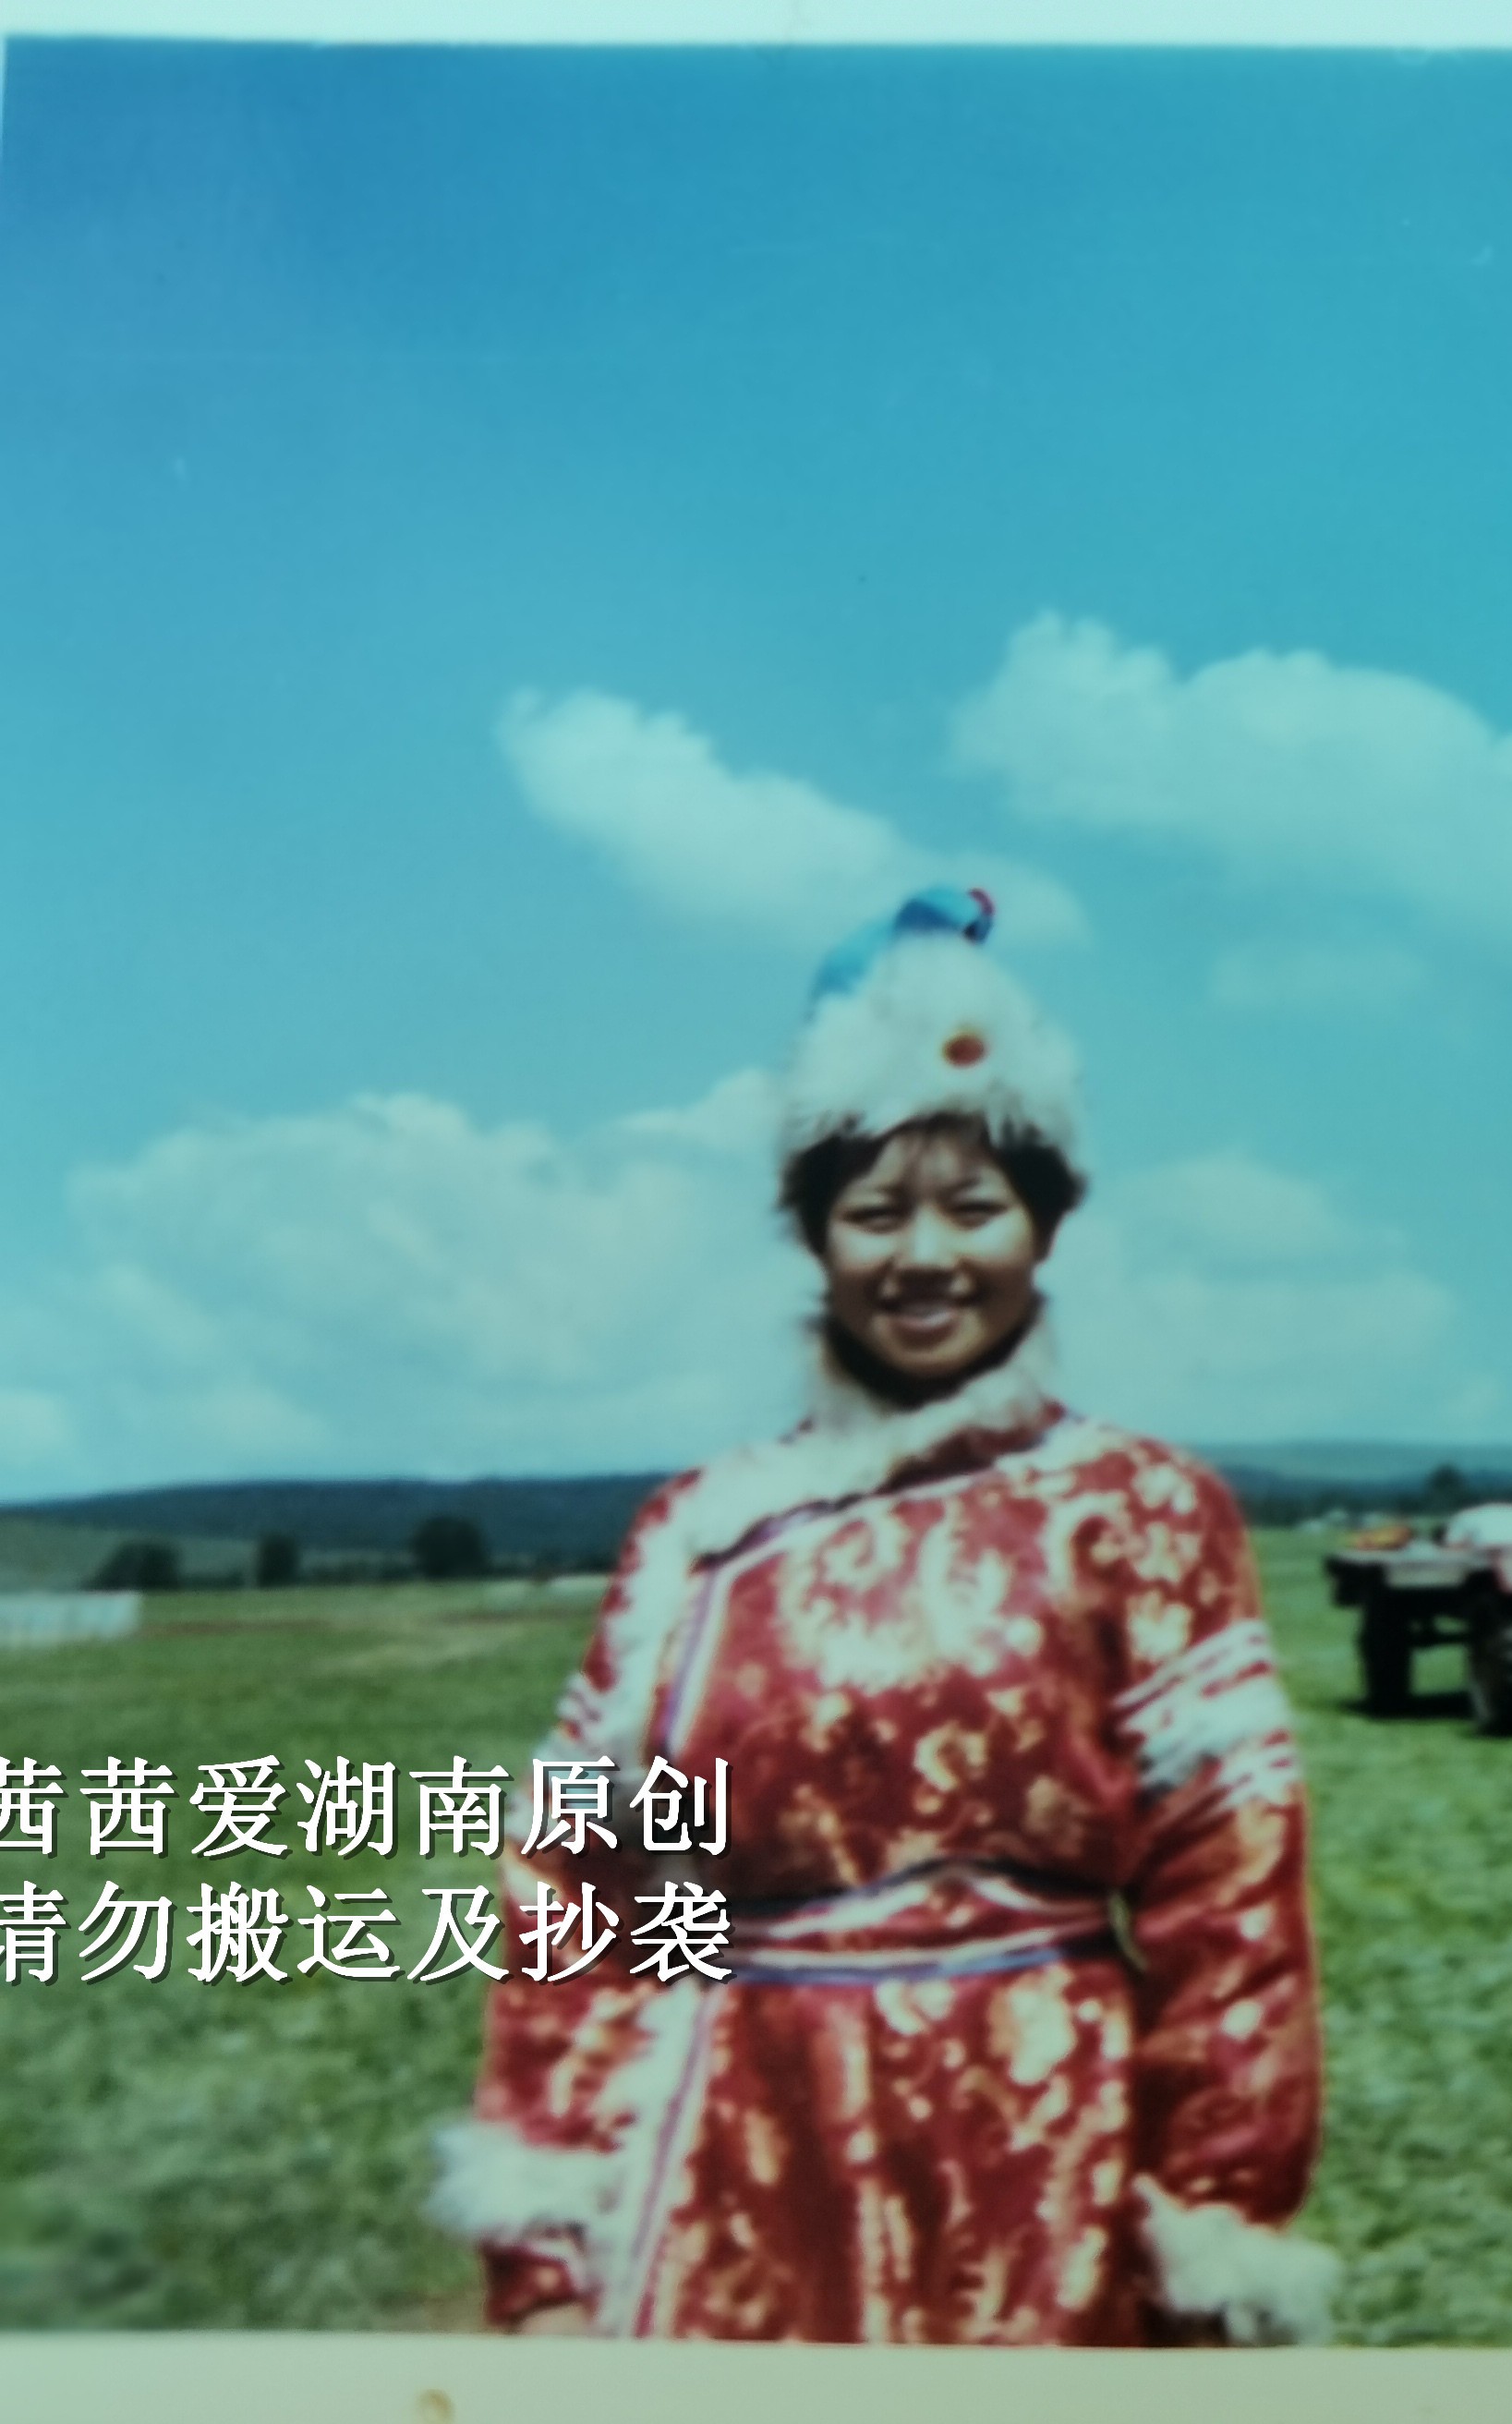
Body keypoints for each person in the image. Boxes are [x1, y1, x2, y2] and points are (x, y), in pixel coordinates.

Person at [431, 888, 1331, 2346]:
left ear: (1044, 1224)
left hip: (1050, 2176)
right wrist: (553, 2226)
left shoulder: (1141, 1512)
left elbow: (1230, 1899)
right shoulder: (701, 1537)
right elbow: (591, 1896)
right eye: (875, 1212)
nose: (926, 1257)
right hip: (734, 2175)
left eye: (974, 1208)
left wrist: (1213, 2217)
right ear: (816, 1236)